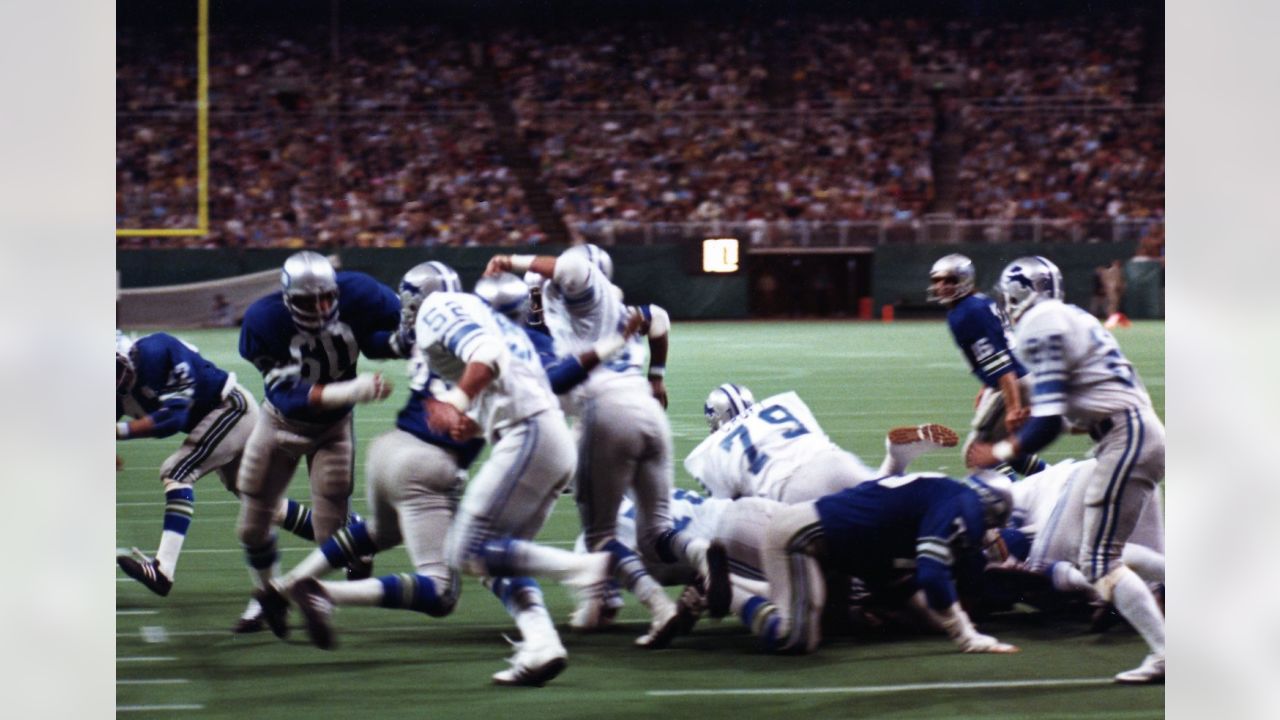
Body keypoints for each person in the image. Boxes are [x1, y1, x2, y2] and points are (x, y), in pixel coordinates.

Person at [484, 245, 718, 642]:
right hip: (647, 412)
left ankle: (656, 607)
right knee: (655, 528)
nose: (539, 297)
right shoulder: (622, 311)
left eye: (544, 288)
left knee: (598, 537)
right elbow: (658, 319)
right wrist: (657, 376)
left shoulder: (580, 299)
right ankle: (701, 554)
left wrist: (510, 260)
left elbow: (571, 271)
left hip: (607, 415)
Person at [253, 261, 490, 649]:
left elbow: (389, 341)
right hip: (427, 465)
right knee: (441, 592)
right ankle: (323, 593)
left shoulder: (423, 333)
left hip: (389, 450)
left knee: (381, 531)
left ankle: (283, 586)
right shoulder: (477, 333)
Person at [410, 272, 618, 686]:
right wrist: (472, 424)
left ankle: (583, 568)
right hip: (542, 437)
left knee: (465, 551)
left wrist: (456, 400)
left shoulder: (437, 309)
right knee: (495, 562)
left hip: (530, 436)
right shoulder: (504, 325)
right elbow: (513, 380)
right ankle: (542, 644)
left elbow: (486, 355)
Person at [967, 255, 1166, 684]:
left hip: (1124, 438)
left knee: (1097, 560)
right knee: (1098, 553)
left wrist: (999, 449)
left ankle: (1167, 654)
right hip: (1132, 431)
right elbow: (1076, 410)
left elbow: (1048, 426)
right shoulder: (1072, 316)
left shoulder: (1041, 323)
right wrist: (1028, 407)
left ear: (1019, 292)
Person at [235, 250, 407, 631]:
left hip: (332, 428)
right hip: (279, 422)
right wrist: (349, 390)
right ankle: (267, 600)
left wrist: (402, 341)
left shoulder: (360, 292)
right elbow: (287, 393)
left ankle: (320, 596)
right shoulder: (263, 321)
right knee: (251, 525)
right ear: (286, 298)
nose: (319, 307)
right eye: (306, 301)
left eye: (327, 298)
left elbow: (377, 339)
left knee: (330, 534)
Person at [115, 330, 333, 608]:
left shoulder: (158, 351)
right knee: (268, 508)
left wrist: (121, 432)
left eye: (115, 368)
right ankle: (349, 535)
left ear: (129, 356)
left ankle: (162, 570)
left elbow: (173, 418)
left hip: (231, 409)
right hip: (214, 422)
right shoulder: (117, 390)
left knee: (176, 471)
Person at [725, 471, 1020, 656]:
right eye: (992, 526)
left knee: (833, 624)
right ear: (988, 510)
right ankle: (725, 590)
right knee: (795, 637)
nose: (988, 535)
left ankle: (736, 586)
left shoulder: (945, 493)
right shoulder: (961, 505)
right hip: (804, 538)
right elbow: (932, 574)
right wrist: (964, 633)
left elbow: (888, 560)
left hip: (825, 544)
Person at [686, 383, 957, 503]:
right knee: (880, 496)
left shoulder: (712, 450)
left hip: (789, 489)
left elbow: (727, 512)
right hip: (831, 460)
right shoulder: (781, 404)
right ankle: (896, 462)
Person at [926, 253, 1044, 477]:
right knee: (1006, 450)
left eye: (949, 280)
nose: (941, 286)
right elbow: (999, 347)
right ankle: (1048, 480)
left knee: (977, 454)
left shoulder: (966, 313)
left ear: (965, 280)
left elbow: (1000, 361)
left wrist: (1012, 408)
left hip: (1012, 381)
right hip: (1017, 378)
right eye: (937, 280)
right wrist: (987, 386)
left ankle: (1016, 502)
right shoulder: (980, 302)